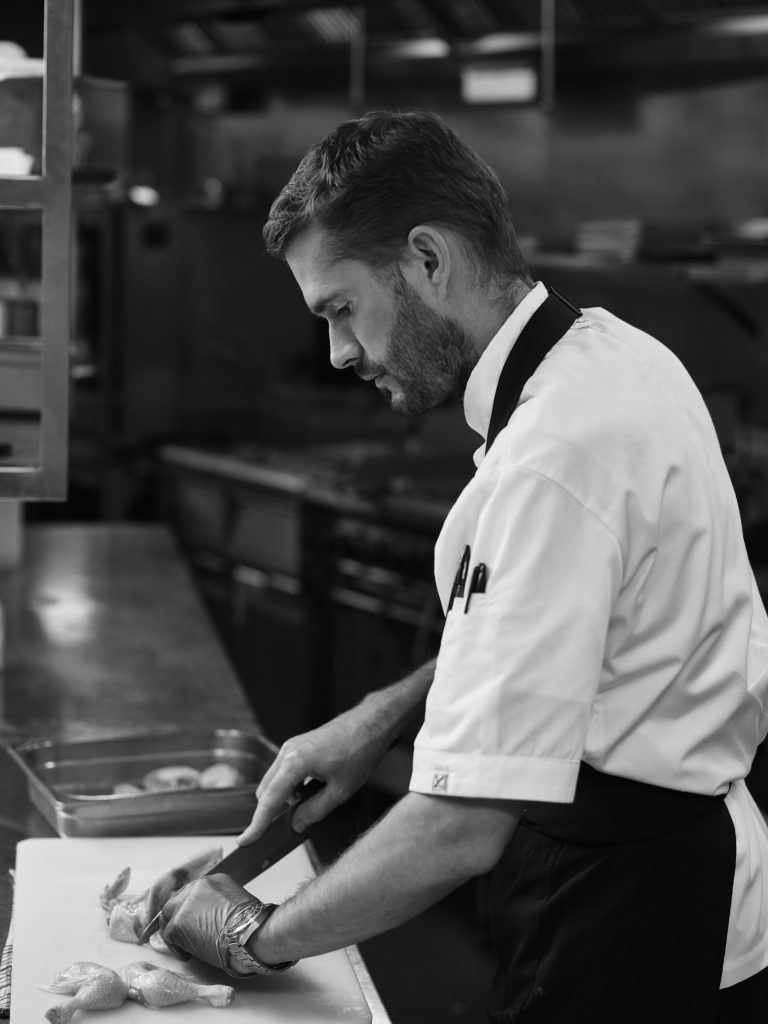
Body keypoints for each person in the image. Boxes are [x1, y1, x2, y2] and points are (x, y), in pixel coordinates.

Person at [156, 110, 768, 1022]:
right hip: (671, 887)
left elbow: (456, 828)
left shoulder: (554, 455)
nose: (340, 353)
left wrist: (251, 934)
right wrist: (382, 717)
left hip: (631, 924)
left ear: (428, 258)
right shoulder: (614, 353)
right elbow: (564, 635)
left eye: (341, 309)